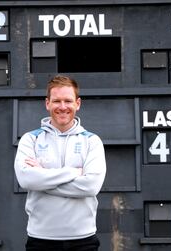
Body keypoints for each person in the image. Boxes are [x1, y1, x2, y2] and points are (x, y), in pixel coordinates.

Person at [14, 75, 106, 251]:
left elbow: (91, 186)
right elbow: (26, 180)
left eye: (68, 101)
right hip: (40, 240)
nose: (62, 107)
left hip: (83, 240)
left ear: (77, 104)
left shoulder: (92, 141)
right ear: (47, 103)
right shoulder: (30, 139)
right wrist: (72, 172)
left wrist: (42, 178)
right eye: (56, 101)